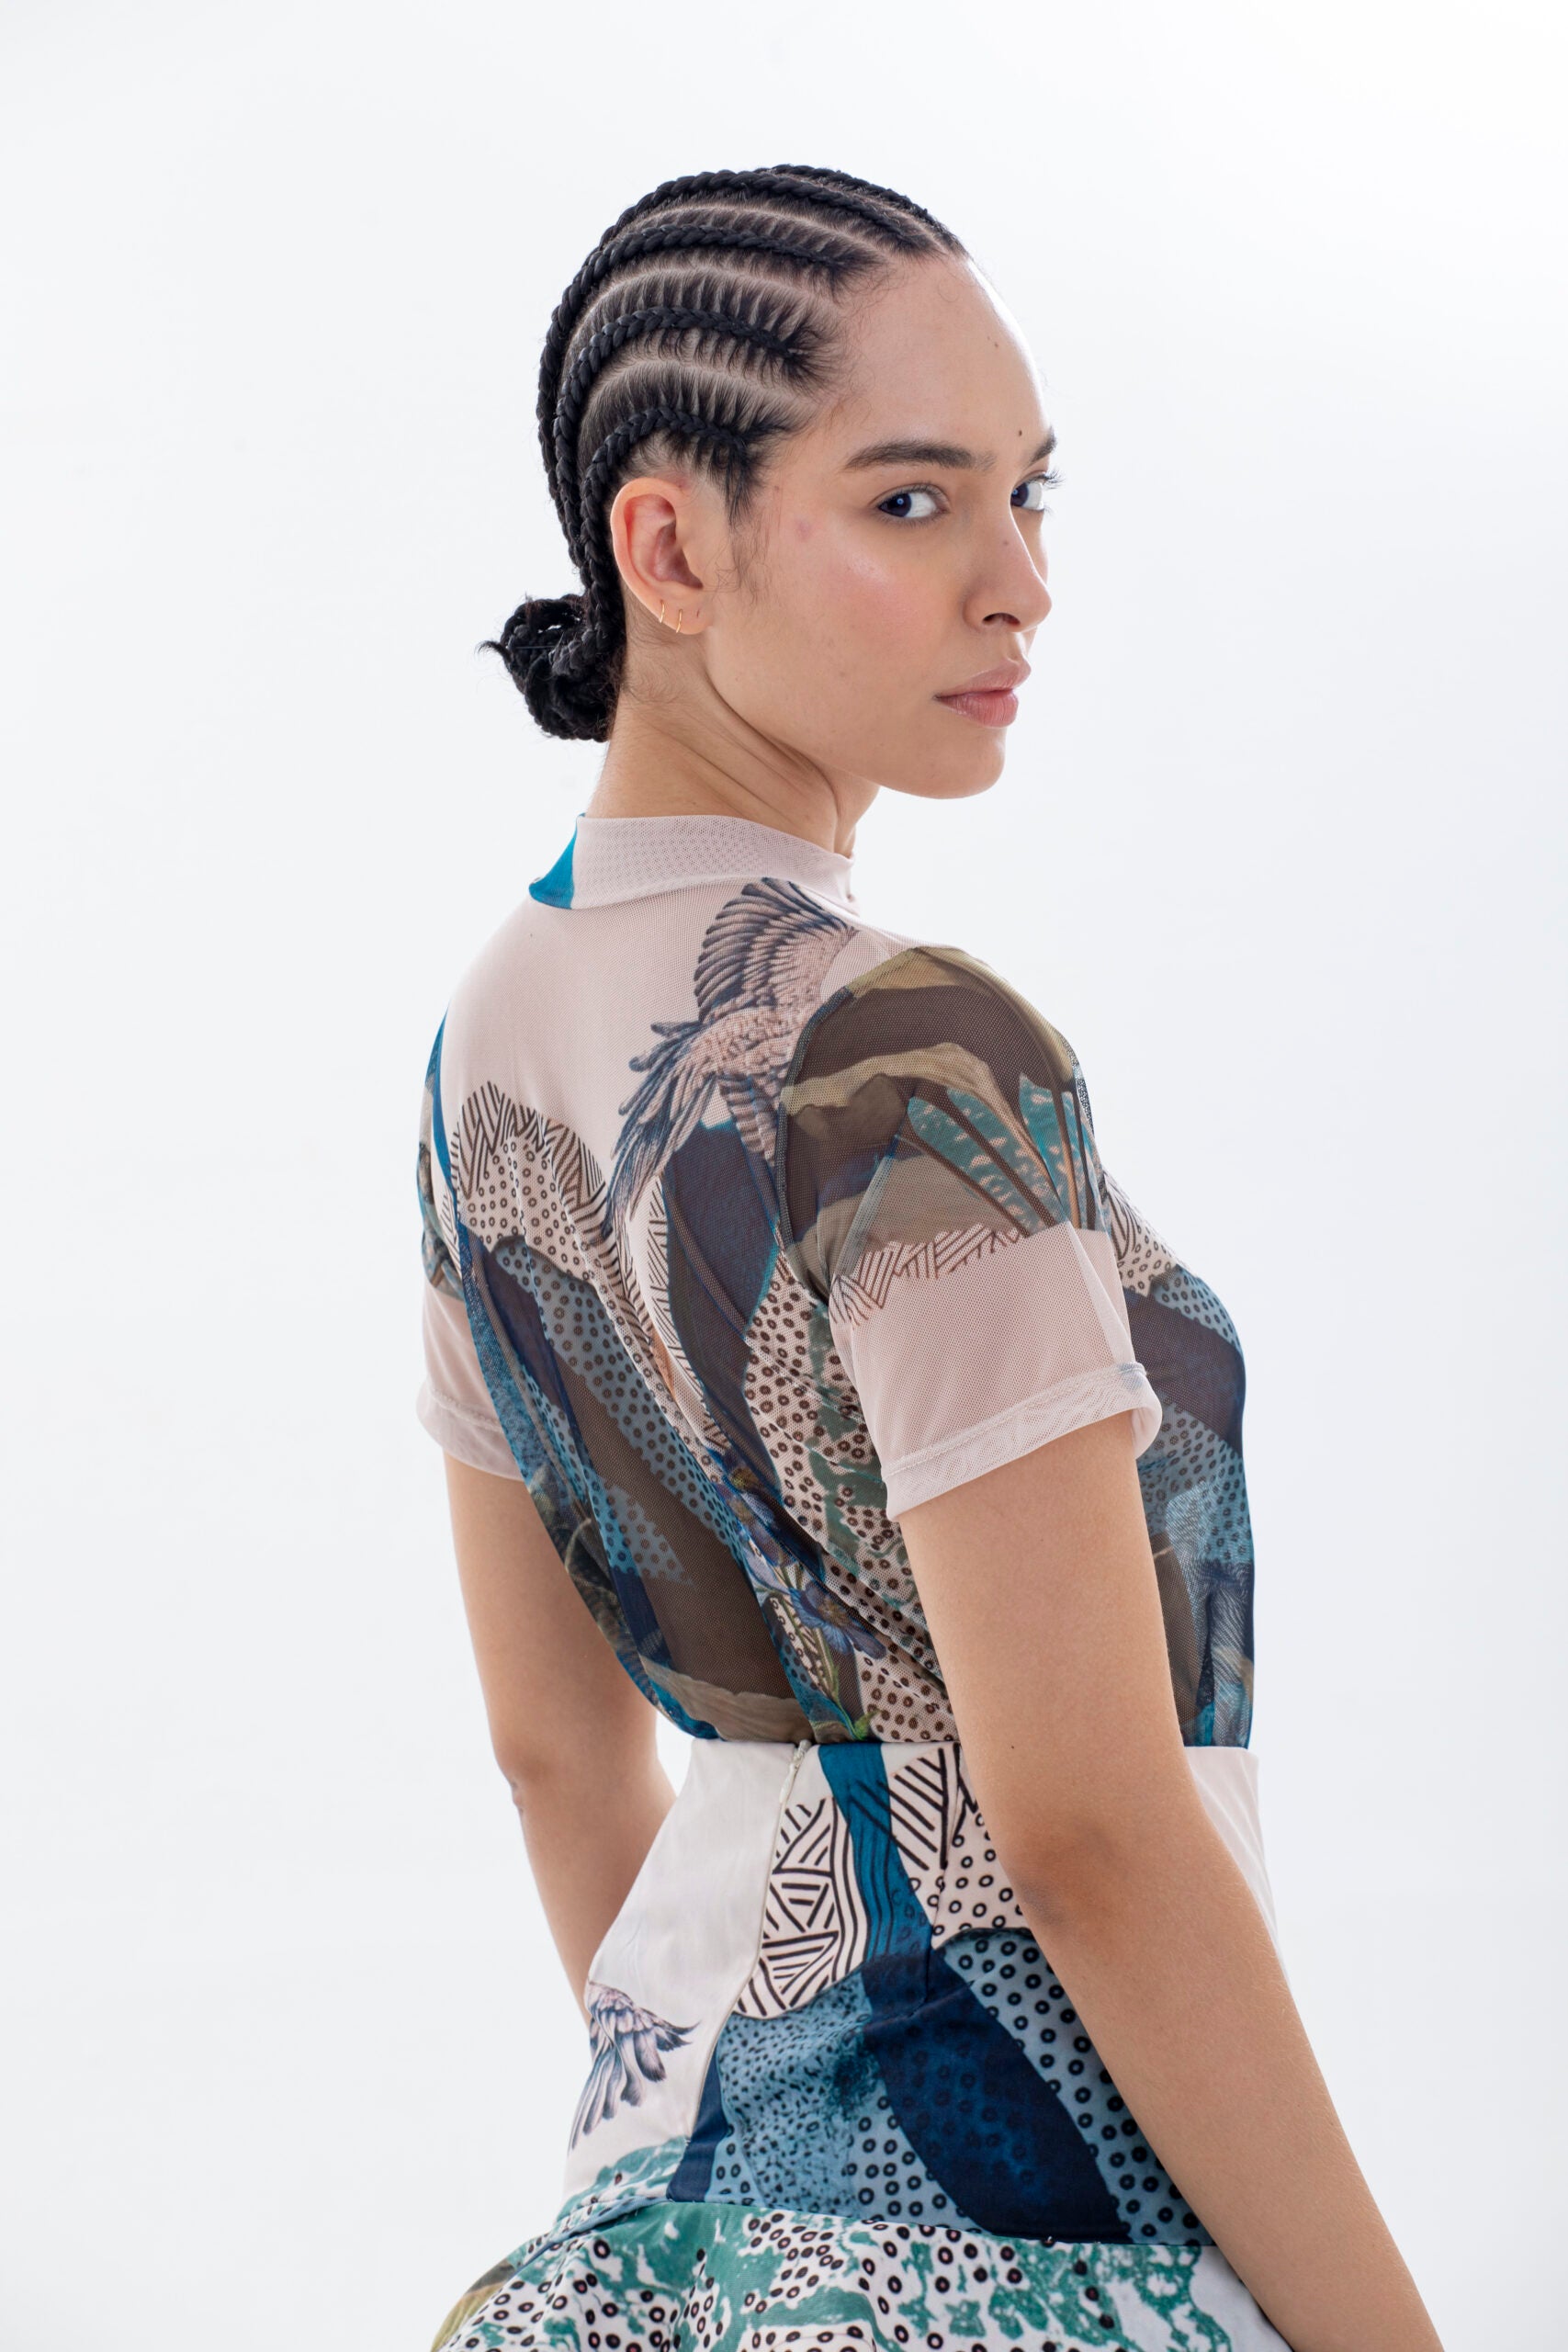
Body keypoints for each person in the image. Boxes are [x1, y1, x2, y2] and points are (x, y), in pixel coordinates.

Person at [413, 164, 1443, 2352]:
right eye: (911, 501)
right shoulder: (912, 1059)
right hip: (1017, 2250)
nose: (1020, 583)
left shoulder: (479, 1047)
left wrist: (725, 2211)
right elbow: (1085, 1827)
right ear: (668, 548)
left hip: (631, 2256)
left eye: (1026, 489)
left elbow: (547, 1748)